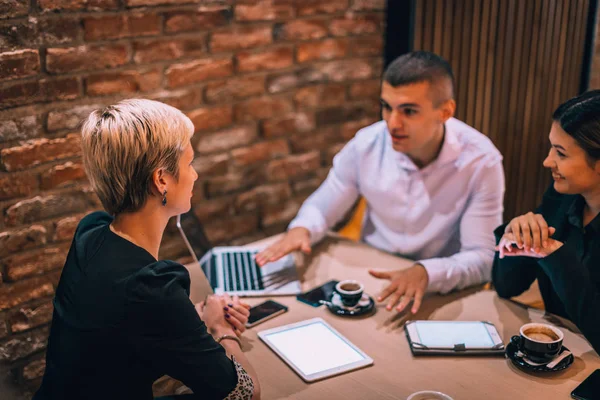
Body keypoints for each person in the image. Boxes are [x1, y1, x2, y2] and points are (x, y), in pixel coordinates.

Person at [34, 99, 260, 400]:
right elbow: (245, 393)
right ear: (162, 179)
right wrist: (220, 329)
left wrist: (191, 318)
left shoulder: (91, 233)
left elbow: (121, 326)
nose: (195, 175)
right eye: (189, 163)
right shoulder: (151, 287)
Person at [256, 51, 505, 314]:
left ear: (445, 112)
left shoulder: (481, 161)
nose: (392, 123)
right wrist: (302, 228)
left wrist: (427, 272)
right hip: (371, 273)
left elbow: (484, 257)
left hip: (440, 285)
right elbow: (325, 203)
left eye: (409, 111)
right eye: (387, 107)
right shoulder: (366, 144)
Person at [493, 90, 600, 353]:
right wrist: (514, 236)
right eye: (551, 147)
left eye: (561, 153)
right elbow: (508, 287)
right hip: (556, 356)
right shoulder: (562, 198)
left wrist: (555, 255)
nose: (547, 161)